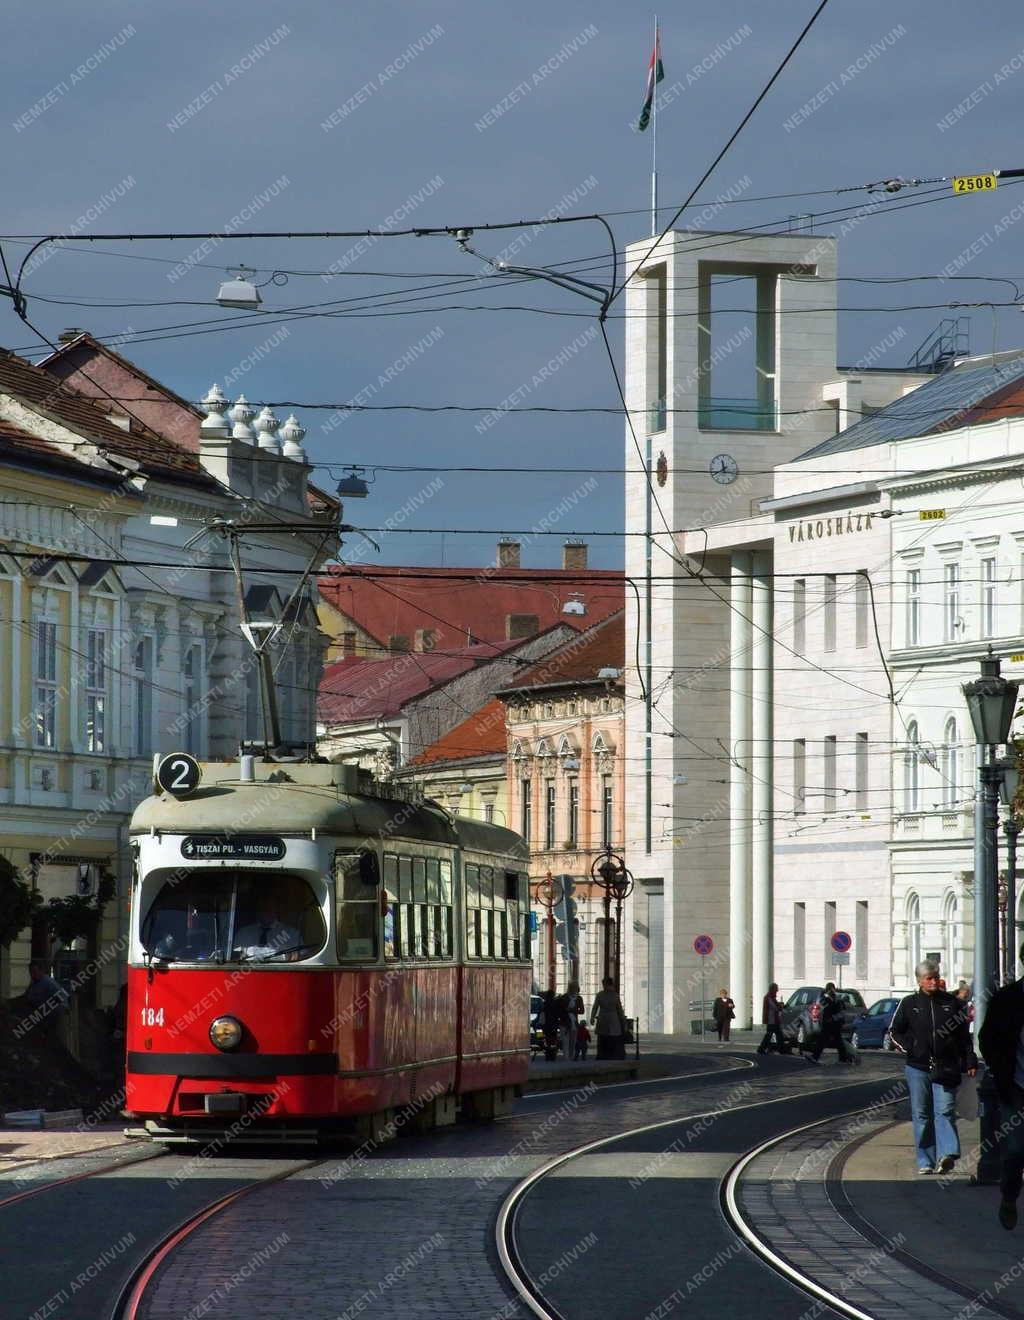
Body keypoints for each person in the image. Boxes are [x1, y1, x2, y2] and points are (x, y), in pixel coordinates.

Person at [890, 959, 976, 1176]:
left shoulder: (952, 1003)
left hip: (945, 1066)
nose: (934, 982)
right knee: (922, 1114)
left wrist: (970, 1059)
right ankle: (925, 1160)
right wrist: (911, 1048)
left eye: (936, 977)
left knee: (945, 1111)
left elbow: (963, 1036)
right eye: (929, 978)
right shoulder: (909, 1004)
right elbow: (894, 1031)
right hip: (917, 1068)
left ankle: (947, 1154)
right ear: (919, 980)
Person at [979, 945, 1024, 1228]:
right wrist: (999, 1071)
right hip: (1016, 1087)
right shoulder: (1008, 999)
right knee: (1017, 1149)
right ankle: (1009, 1196)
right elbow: (987, 1039)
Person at [18, 961, 69, 1040]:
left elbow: (62, 998)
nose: (32, 975)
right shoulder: (34, 983)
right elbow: (27, 997)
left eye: (34, 972)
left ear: (41, 971)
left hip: (54, 1012)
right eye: (31, 972)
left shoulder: (48, 982)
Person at [808, 983, 856, 1065]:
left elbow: (840, 1012)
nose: (829, 991)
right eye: (829, 990)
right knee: (835, 1041)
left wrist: (832, 1018)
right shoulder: (828, 999)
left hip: (832, 1023)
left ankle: (816, 1056)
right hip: (831, 1023)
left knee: (827, 1040)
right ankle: (843, 1059)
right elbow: (823, 1008)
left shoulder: (836, 1000)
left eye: (830, 989)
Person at [234, 901, 300, 960]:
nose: (266, 911)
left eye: (269, 908)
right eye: (263, 908)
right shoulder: (243, 933)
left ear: (276, 909)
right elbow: (234, 958)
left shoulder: (291, 933)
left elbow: (300, 959)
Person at [591, 977, 627, 1060]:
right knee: (603, 1037)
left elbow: (619, 1009)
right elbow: (595, 1007)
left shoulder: (614, 995)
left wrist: (623, 1021)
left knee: (612, 1037)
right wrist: (592, 1017)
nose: (604, 986)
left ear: (609, 985)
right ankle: (602, 1055)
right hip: (604, 1018)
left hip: (611, 1018)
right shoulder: (600, 995)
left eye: (605, 984)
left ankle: (611, 1054)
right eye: (603, 985)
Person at [557, 981, 584, 1062]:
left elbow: (582, 1011)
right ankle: (566, 1059)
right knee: (565, 1042)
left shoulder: (579, 998)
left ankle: (571, 1058)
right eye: (573, 988)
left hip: (574, 1023)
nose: (575, 990)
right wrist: (566, 1010)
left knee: (572, 1042)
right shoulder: (564, 997)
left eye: (576, 988)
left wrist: (572, 1010)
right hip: (564, 1022)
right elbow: (560, 1010)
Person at [538, 989, 566, 1062]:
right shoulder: (555, 1003)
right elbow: (559, 1014)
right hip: (553, 1025)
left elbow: (541, 1014)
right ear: (553, 995)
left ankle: (547, 1053)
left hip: (545, 1025)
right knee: (553, 1040)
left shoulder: (544, 1003)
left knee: (546, 1039)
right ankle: (552, 1054)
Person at [757, 983, 785, 1055]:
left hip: (773, 1019)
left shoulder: (770, 997)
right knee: (772, 1035)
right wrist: (780, 1006)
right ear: (773, 989)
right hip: (771, 1019)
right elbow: (775, 1007)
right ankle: (762, 1049)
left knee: (775, 1035)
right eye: (776, 989)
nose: (777, 991)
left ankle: (778, 1049)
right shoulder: (769, 997)